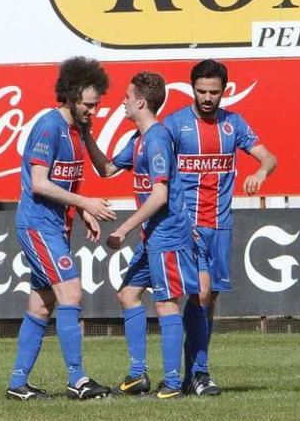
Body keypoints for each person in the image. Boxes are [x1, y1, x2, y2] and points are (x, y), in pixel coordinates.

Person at [4, 57, 116, 401]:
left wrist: (81, 211)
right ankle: (77, 380)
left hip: (56, 226)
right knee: (72, 293)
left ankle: (17, 384)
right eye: (87, 104)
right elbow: (39, 183)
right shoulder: (49, 127)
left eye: (97, 105)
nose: (93, 111)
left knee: (41, 305)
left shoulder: (78, 131)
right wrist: (85, 204)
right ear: (69, 96)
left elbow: (98, 171)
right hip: (38, 225)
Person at [164, 59, 277, 394]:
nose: (208, 98)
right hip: (188, 226)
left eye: (214, 91)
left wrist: (259, 172)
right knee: (199, 295)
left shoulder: (234, 124)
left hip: (221, 226)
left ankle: (193, 374)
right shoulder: (175, 125)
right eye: (201, 91)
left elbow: (269, 157)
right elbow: (157, 169)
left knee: (209, 300)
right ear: (192, 90)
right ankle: (196, 373)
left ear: (224, 90)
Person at [84, 71, 199, 400]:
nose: (122, 101)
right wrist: (87, 135)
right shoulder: (138, 140)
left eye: (126, 95)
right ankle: (138, 375)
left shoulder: (158, 138)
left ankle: (174, 382)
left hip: (168, 236)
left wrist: (122, 228)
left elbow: (160, 195)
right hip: (153, 238)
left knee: (165, 304)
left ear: (140, 102)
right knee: (128, 295)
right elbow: (106, 170)